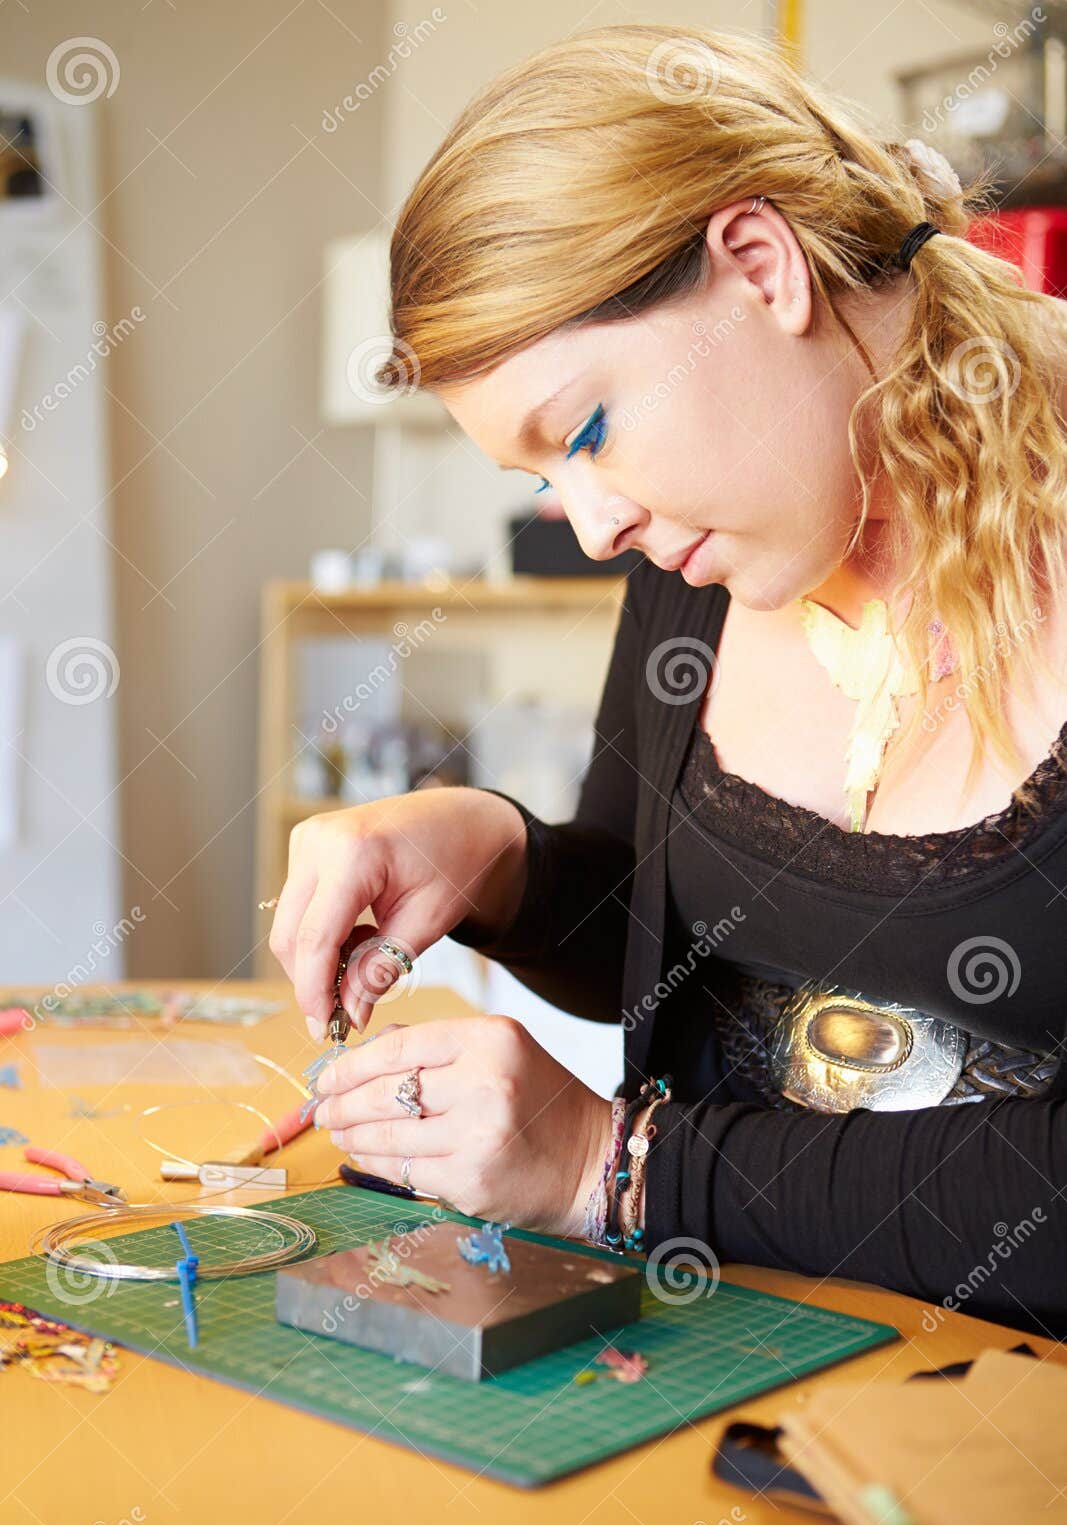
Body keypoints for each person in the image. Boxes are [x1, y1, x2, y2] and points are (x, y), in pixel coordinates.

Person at [269, 26, 1067, 1335]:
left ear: (760, 267)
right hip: (719, 1377)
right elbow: (667, 945)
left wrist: (615, 1165)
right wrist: (499, 858)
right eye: (543, 479)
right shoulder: (711, 549)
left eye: (584, 431)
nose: (591, 525)